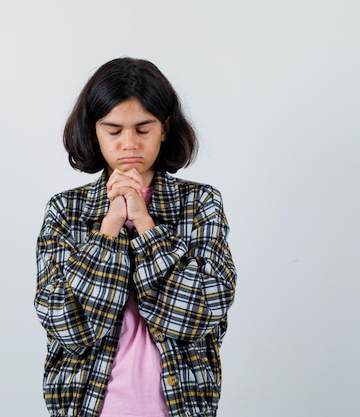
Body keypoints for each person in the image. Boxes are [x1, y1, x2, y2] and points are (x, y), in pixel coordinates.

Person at [34, 57, 237, 417]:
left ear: (165, 128)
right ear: (94, 131)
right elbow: (67, 327)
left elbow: (200, 314)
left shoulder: (201, 203)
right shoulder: (65, 211)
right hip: (88, 407)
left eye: (143, 129)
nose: (129, 144)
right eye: (113, 131)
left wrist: (145, 224)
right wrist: (110, 226)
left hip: (181, 407)